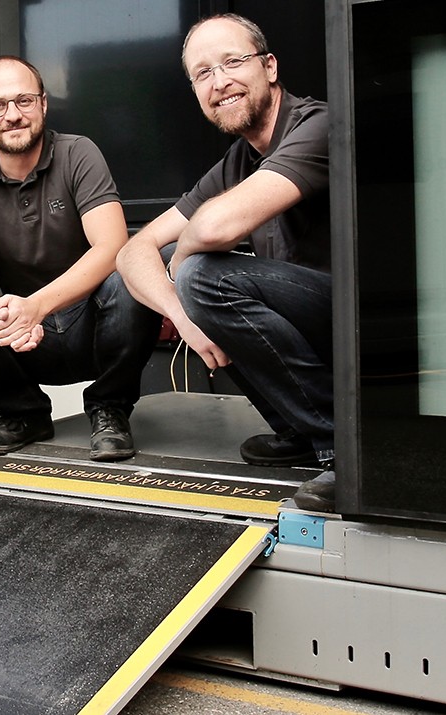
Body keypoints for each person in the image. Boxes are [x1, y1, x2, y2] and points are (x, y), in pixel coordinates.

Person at [116, 15, 337, 507]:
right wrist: (181, 317)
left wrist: (184, 272)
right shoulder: (239, 161)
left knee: (198, 272)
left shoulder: (319, 125)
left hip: (358, 328)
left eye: (233, 62)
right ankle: (297, 428)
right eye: (203, 73)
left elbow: (214, 230)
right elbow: (132, 251)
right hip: (311, 329)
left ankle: (343, 443)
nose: (220, 82)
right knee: (184, 277)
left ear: (270, 66)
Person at [0, 56, 160, 461]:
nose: (13, 115)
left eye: (24, 101)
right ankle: (25, 415)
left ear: (44, 104)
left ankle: (110, 410)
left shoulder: (78, 153)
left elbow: (111, 247)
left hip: (94, 325)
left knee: (130, 277)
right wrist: (7, 314)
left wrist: (36, 306)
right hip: (25, 342)